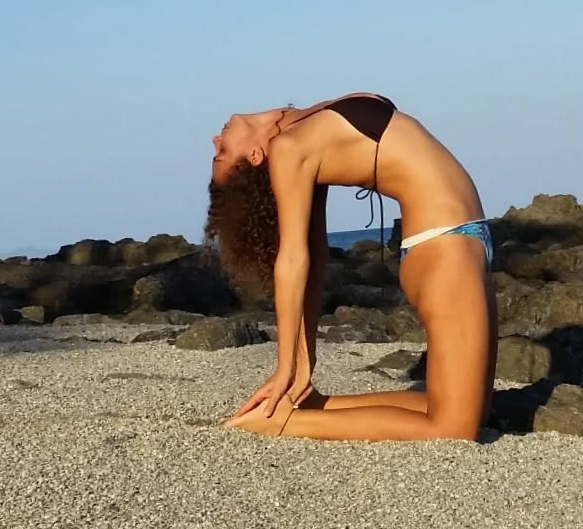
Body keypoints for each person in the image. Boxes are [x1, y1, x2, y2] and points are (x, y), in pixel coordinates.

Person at [205, 92, 496, 441]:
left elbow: (316, 257)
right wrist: (286, 367)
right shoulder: (287, 149)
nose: (216, 139)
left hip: (466, 240)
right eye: (222, 152)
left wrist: (304, 367)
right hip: (443, 248)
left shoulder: (301, 128)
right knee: (455, 429)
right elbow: (294, 259)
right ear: (255, 156)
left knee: (475, 410)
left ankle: (312, 406)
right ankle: (282, 423)